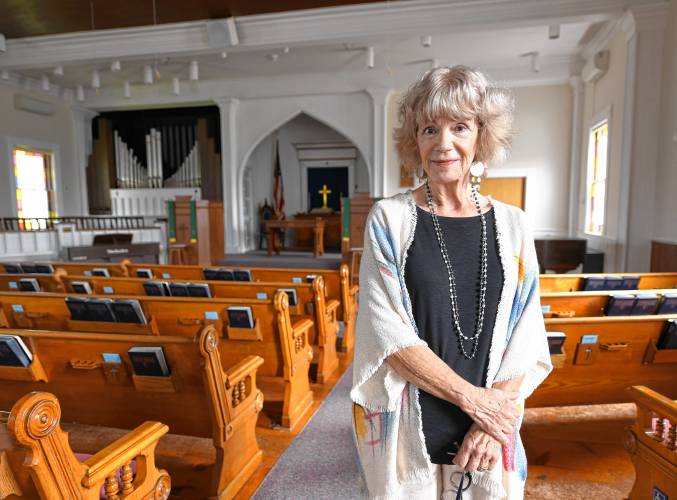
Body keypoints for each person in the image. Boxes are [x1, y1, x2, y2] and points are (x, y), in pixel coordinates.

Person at [350, 66, 552, 499]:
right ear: (415, 140)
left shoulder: (514, 226)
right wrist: (473, 400)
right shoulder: (390, 220)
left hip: (489, 427)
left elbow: (527, 333)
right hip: (412, 421)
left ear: (481, 135)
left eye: (459, 127)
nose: (444, 144)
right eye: (429, 129)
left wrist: (489, 417)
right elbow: (387, 334)